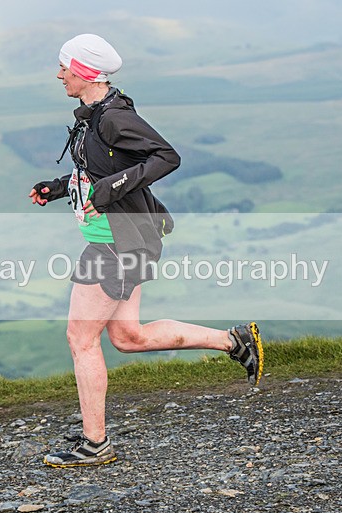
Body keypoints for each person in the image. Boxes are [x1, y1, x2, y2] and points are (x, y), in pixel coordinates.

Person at [29, 34, 263, 468]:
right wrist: (59, 188)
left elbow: (166, 156)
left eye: (64, 66)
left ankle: (95, 444)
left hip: (118, 243)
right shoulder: (95, 115)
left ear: (82, 70)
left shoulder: (113, 117)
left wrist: (112, 188)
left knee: (80, 339)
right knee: (127, 336)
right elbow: (99, 170)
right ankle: (232, 340)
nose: (59, 74)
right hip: (125, 236)